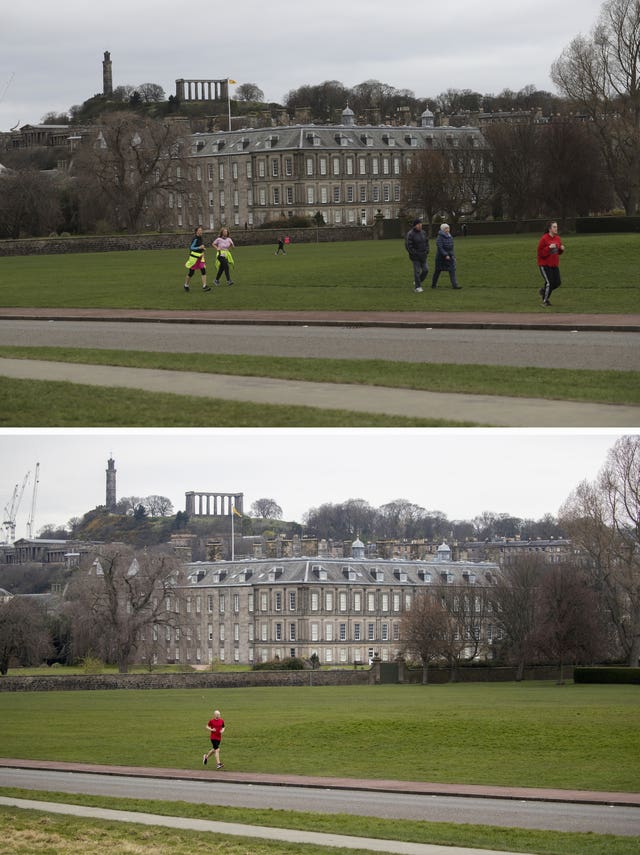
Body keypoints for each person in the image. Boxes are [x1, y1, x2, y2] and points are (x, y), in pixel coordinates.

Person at [537, 220, 565, 307]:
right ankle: (545, 302)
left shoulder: (557, 238)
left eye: (556, 227)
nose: (556, 228)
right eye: (554, 227)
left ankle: (544, 291)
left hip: (554, 265)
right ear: (550, 229)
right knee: (550, 282)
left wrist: (561, 249)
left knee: (557, 283)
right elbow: (540, 253)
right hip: (545, 265)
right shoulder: (544, 238)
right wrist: (548, 248)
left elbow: (557, 252)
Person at [431, 223, 462, 290]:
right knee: (437, 271)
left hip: (449, 256)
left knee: (452, 270)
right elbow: (440, 247)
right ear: (442, 229)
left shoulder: (450, 236)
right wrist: (445, 255)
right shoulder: (439, 237)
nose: (447, 230)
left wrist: (453, 256)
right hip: (440, 257)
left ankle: (455, 285)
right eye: (446, 228)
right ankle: (433, 284)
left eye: (448, 228)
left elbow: (451, 247)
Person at [405, 218, 429, 293]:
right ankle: (417, 287)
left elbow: (427, 242)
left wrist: (427, 250)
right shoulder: (410, 234)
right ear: (415, 225)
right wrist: (414, 253)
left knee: (426, 270)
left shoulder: (423, 233)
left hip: (423, 255)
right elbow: (408, 245)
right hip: (415, 256)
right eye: (418, 224)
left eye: (421, 224)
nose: (420, 225)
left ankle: (417, 281)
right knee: (417, 272)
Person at [183, 227, 211, 292]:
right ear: (196, 232)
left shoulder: (200, 238)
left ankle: (204, 286)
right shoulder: (195, 238)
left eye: (201, 230)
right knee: (191, 273)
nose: (201, 231)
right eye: (199, 230)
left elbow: (199, 247)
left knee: (203, 270)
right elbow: (191, 248)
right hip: (194, 258)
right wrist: (199, 247)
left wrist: (202, 249)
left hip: (200, 257)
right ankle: (186, 285)